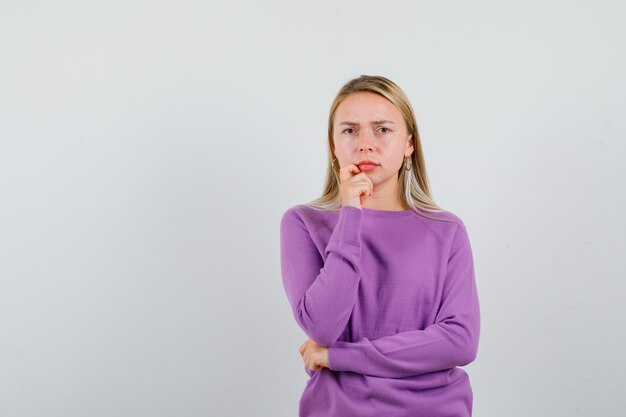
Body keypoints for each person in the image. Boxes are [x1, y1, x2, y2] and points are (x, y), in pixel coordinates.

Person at [279, 74, 481, 417]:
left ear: (409, 144)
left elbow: (460, 340)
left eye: (382, 129)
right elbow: (322, 326)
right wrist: (351, 213)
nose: (365, 143)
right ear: (332, 145)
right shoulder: (303, 223)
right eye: (349, 130)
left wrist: (336, 356)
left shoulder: (447, 230)